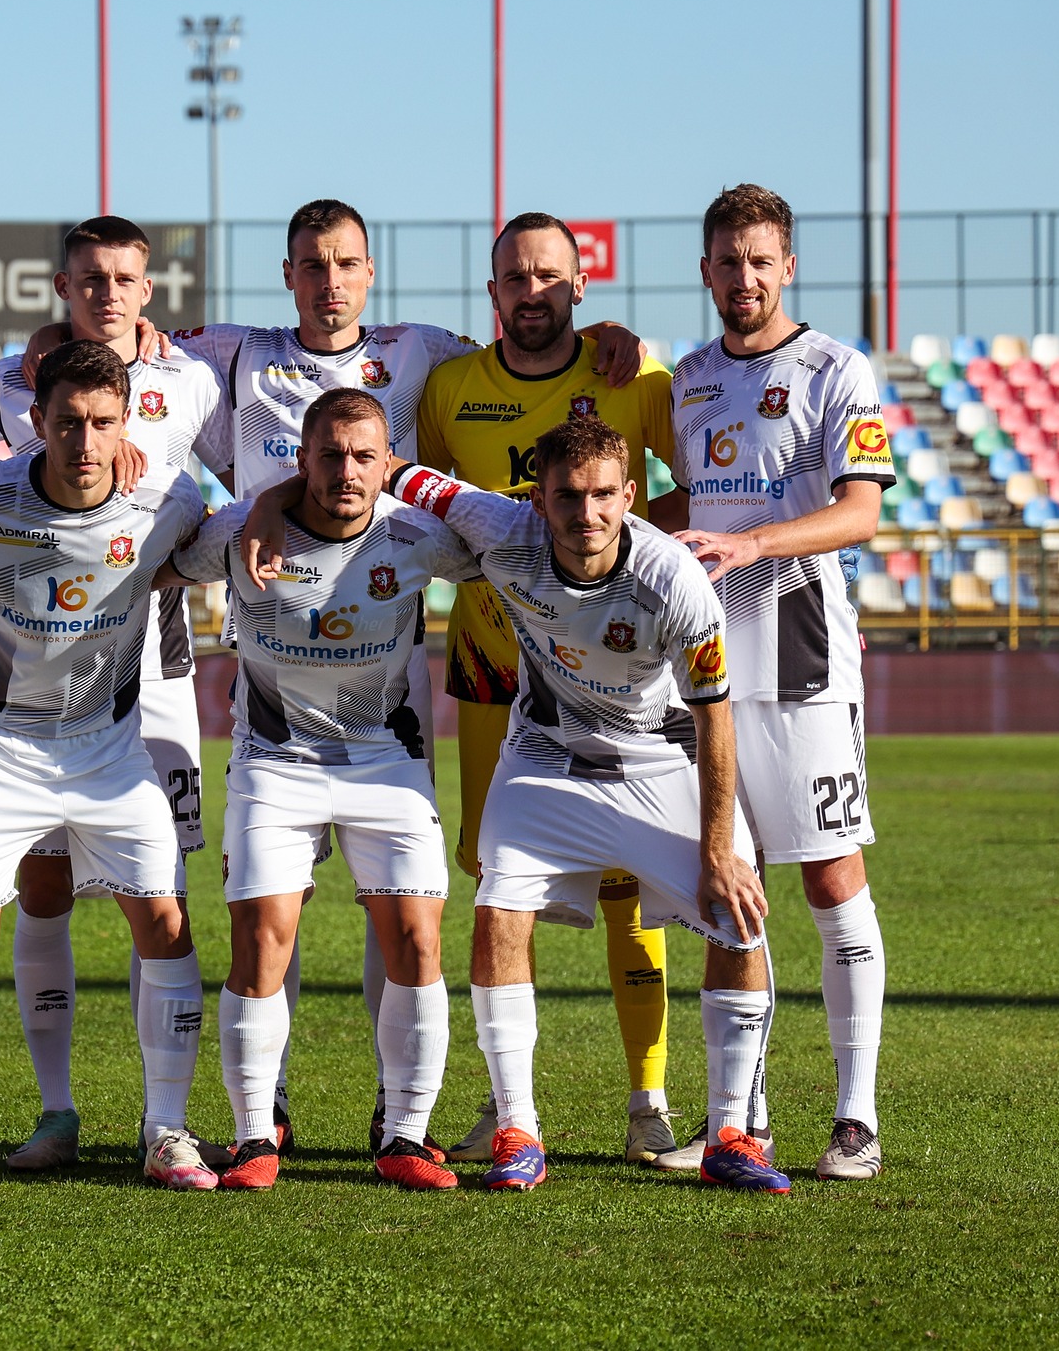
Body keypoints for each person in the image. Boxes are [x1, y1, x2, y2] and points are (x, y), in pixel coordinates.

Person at [189, 197, 648, 1153]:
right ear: (288, 274)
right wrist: (270, 501)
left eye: (346, 263)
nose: (329, 281)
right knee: (268, 919)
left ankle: (396, 1117)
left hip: (384, 697)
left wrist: (604, 333)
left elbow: (532, 340)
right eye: (312, 264)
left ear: (370, 273)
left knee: (399, 914)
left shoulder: (423, 351)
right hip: (272, 694)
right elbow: (116, 346)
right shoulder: (236, 351)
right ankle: (265, 1111)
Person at [0, 217, 223, 1173]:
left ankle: (167, 1128)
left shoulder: (177, 470)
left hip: (125, 723)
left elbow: (241, 510)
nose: (86, 439)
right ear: (35, 416)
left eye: (104, 424)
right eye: (68, 422)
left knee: (166, 914)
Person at [366, 418, 791, 1194]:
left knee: (738, 914)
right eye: (567, 496)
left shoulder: (674, 579)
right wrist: (283, 503)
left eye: (602, 496)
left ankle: (733, 1132)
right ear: (539, 499)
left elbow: (715, 719)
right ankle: (518, 1130)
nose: (586, 513)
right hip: (543, 760)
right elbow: (400, 473)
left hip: (657, 758)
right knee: (498, 911)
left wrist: (718, 850)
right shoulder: (502, 527)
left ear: (629, 496)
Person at [414, 211, 686, 1166]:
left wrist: (625, 566)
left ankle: (649, 1098)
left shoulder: (635, 376)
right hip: (495, 669)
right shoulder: (450, 388)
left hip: (616, 671)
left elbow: (692, 490)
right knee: (501, 887)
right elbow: (421, 506)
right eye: (514, 278)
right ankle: (507, 1107)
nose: (531, 292)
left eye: (547, 276)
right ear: (492, 291)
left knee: (631, 890)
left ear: (580, 285)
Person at [159, 389, 475, 1191]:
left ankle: (405, 1137)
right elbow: (152, 562)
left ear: (388, 463)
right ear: (301, 459)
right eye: (329, 454)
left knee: (418, 942)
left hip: (388, 763)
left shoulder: (418, 535)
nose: (346, 471)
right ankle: (254, 1138)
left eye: (364, 456)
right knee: (262, 939)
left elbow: (515, 542)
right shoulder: (240, 533)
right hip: (276, 761)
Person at [654, 184, 893, 1181]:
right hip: (705, 668)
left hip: (801, 660)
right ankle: (733, 1124)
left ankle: (854, 1118)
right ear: (705, 271)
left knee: (830, 879)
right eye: (727, 261)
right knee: (726, 891)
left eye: (760, 260)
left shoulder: (837, 368)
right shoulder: (691, 379)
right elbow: (692, 500)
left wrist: (752, 544)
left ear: (786, 265)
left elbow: (860, 512)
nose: (743, 277)